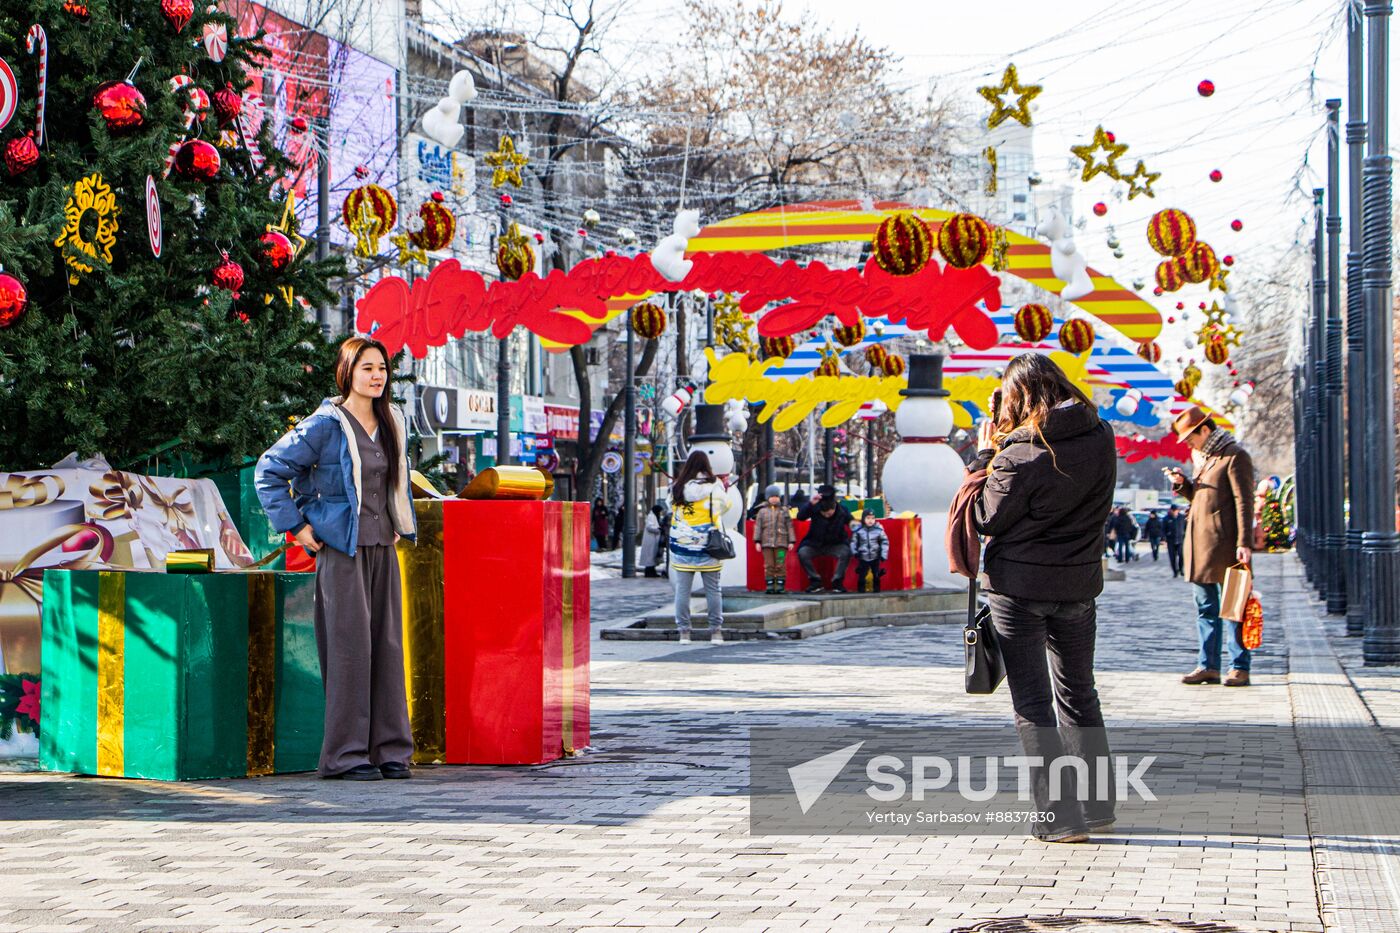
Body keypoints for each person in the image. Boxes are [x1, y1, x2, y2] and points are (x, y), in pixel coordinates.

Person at [255, 336, 417, 781]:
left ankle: (390, 751)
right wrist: (298, 526)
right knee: (349, 650)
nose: (377, 375)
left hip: (383, 547)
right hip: (342, 552)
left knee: (386, 648)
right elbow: (269, 470)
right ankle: (345, 756)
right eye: (367, 368)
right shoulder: (325, 424)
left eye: (381, 367)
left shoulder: (390, 421)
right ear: (348, 373)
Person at [971, 352, 1117, 843]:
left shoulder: (1016, 453)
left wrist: (983, 452)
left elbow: (987, 519)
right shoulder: (1102, 437)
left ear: (1018, 398)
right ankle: (1097, 808)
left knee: (1034, 703)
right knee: (1080, 694)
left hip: (1019, 588)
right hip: (1078, 583)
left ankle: (1059, 816)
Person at [1167, 405, 1256, 687]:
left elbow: (1244, 501)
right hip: (1201, 546)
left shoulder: (1234, 455)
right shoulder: (1203, 457)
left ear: (1205, 429)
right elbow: (1201, 498)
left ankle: (1239, 666)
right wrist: (1183, 485)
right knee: (1206, 607)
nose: (1188, 443)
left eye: (1191, 437)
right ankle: (1208, 666)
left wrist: (1244, 542)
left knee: (1235, 606)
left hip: (1227, 544)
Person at [668, 451, 731, 644]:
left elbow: (670, 507)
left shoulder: (677, 487)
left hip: (682, 544)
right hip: (709, 545)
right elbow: (725, 506)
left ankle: (684, 632)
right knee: (713, 589)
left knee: (682, 590)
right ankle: (716, 632)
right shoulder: (715, 487)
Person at [796, 484, 854, 592]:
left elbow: (851, 521)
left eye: (829, 513)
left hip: (836, 544)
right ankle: (815, 580)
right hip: (815, 544)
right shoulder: (814, 508)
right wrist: (810, 504)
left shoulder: (842, 511)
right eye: (824, 514)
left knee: (846, 552)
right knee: (802, 553)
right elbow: (800, 517)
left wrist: (854, 524)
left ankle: (837, 581)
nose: (827, 515)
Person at [753, 484, 796, 594]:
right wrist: (757, 541)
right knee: (769, 565)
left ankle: (780, 586)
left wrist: (791, 541)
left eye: (776, 496)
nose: (774, 499)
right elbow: (758, 527)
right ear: (767, 497)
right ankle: (770, 586)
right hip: (766, 544)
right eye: (772, 496)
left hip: (782, 544)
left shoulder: (784, 510)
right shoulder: (762, 511)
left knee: (780, 564)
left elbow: (789, 526)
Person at [850, 511, 890, 592]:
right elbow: (853, 542)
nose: (870, 520)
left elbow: (885, 542)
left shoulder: (879, 530)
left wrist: (883, 554)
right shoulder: (858, 530)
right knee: (862, 574)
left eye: (872, 518)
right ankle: (861, 590)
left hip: (875, 556)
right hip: (863, 556)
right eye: (868, 518)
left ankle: (877, 589)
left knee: (876, 574)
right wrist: (855, 552)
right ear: (863, 519)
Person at [639, 504, 666, 577]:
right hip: (650, 540)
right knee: (650, 557)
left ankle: (652, 571)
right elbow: (649, 527)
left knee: (652, 556)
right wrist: (658, 529)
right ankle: (649, 572)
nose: (660, 513)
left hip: (653, 540)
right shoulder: (651, 516)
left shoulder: (655, 516)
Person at [1163, 503, 1187, 577]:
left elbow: (1186, 527)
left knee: (1181, 556)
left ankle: (1181, 569)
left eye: (1176, 510)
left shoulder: (1182, 517)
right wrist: (1164, 539)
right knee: (1172, 557)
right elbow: (1163, 530)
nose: (1175, 512)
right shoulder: (1166, 519)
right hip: (1171, 541)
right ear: (1171, 511)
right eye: (1173, 510)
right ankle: (1175, 572)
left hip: (1180, 540)